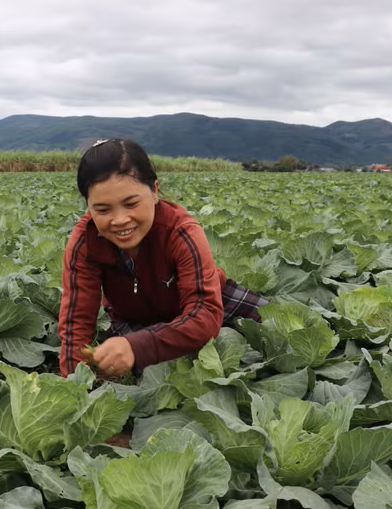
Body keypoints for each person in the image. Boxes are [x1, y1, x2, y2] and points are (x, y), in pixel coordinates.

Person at [58, 138, 267, 377]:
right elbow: (76, 321)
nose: (120, 220)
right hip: (135, 320)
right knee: (152, 374)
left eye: (131, 203)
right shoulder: (86, 241)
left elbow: (205, 313)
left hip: (211, 302)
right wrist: (73, 384)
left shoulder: (180, 230)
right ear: (88, 206)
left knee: (274, 324)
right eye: (103, 210)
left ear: (155, 190)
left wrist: (137, 347)